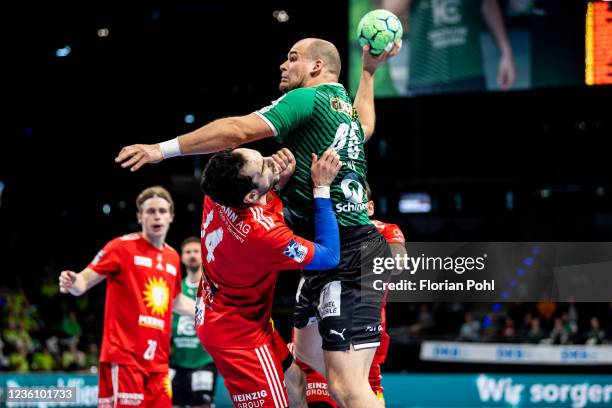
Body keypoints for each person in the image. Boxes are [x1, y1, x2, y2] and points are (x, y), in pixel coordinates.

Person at [115, 38, 398, 408]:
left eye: (292, 57)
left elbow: (236, 130)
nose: (283, 64)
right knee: (305, 369)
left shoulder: (303, 100)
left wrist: (161, 150)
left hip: (347, 250)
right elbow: (364, 128)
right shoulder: (338, 105)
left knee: (346, 386)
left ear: (316, 67)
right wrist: (369, 72)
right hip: (323, 255)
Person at [197, 147, 341, 408]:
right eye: (263, 166)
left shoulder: (219, 191)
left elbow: (260, 210)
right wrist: (321, 188)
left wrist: (275, 179)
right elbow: (329, 256)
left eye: (261, 156)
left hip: (231, 313)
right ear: (251, 195)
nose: (271, 160)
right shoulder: (261, 235)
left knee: (296, 381)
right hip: (238, 334)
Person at [58, 186, 195, 408]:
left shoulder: (172, 257)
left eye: (162, 210)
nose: (157, 216)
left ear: (171, 216)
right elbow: (82, 282)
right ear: (140, 216)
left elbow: (176, 299)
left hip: (158, 365)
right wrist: (72, 282)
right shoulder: (121, 247)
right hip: (124, 360)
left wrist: (207, 310)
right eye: (150, 211)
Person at [292, 182, 407, 407]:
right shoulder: (321, 227)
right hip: (315, 322)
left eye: (354, 197)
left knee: (356, 391)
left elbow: (398, 261)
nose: (347, 201)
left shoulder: (381, 230)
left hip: (359, 327)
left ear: (369, 207)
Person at [382, 0, 516, 94]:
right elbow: (389, 9)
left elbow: (487, 3)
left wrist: (506, 52)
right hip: (426, 74)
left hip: (469, 70)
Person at [170, 237, 217, 408]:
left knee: (201, 404)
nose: (192, 255)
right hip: (177, 363)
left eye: (196, 251)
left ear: (203, 255)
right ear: (182, 257)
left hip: (204, 362)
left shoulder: (213, 288)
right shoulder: (175, 289)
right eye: (188, 252)